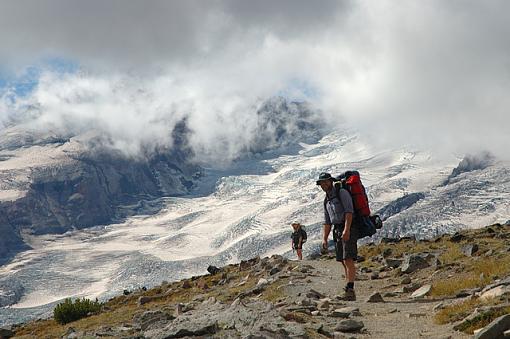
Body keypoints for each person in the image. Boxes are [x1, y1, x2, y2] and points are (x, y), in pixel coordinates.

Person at [316, 172, 358, 301]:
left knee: (348, 259)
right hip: (337, 230)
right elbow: (327, 221)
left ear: (331, 181)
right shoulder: (327, 200)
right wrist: (325, 238)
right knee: (342, 260)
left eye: (326, 181)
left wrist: (347, 229)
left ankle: (350, 289)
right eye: (322, 183)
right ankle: (348, 288)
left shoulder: (341, 193)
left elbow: (349, 211)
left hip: (348, 227)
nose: (324, 184)